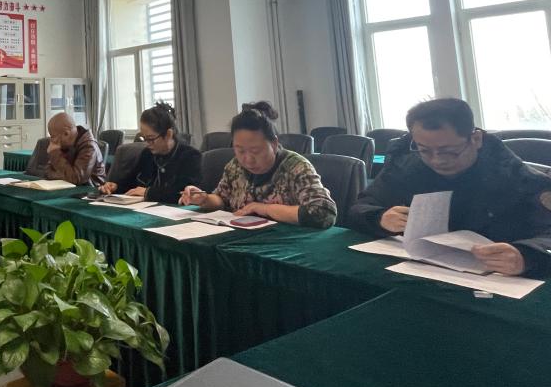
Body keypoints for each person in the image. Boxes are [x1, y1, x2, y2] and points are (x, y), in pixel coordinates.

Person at [347, 98, 551, 277]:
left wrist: (527, 255)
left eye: (448, 151)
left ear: (476, 139)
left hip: (495, 281)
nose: (437, 160)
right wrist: (379, 218)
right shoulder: (406, 166)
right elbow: (360, 207)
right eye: (425, 150)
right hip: (425, 272)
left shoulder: (517, 177)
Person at [180, 101, 337, 228]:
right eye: (240, 150)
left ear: (274, 144)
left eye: (255, 151)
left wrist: (264, 208)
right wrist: (204, 199)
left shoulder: (296, 167)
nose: (248, 159)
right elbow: (222, 199)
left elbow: (323, 213)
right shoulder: (235, 166)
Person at [100, 102, 201, 202]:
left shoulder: (191, 156)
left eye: (151, 139)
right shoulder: (147, 154)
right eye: (144, 138)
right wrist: (116, 186)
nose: (147, 143)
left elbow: (186, 193)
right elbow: (132, 182)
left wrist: (148, 193)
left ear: (168, 134)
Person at [27, 112, 106, 186]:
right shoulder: (66, 143)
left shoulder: (89, 146)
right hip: (68, 187)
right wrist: (65, 176)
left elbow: (76, 178)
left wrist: (55, 153)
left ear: (66, 133)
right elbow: (48, 171)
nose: (51, 141)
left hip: (91, 190)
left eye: (53, 136)